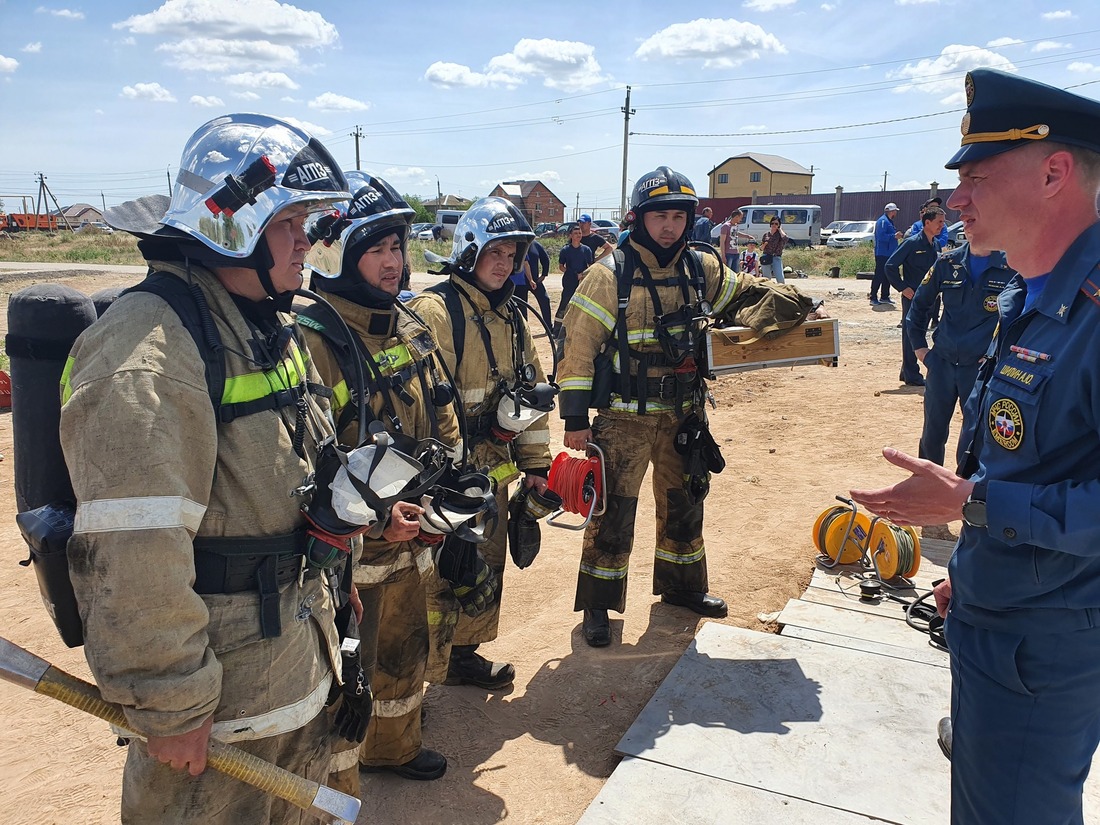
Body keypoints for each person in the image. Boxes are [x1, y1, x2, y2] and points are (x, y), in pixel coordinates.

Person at [60, 114, 352, 823]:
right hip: (219, 716)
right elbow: (134, 547)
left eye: (306, 223)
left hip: (296, 669)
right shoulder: (148, 350)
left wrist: (338, 585)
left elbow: (301, 475)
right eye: (288, 223)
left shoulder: (260, 323)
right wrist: (171, 701)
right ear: (233, 227)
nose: (304, 242)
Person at [850, 67, 1100, 825]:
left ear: (1054, 171)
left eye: (978, 176)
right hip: (1000, 617)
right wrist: (972, 560)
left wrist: (972, 505)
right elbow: (1031, 456)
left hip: (1044, 643)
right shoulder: (1033, 290)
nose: (956, 198)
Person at [299, 172, 462, 784]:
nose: (394, 262)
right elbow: (313, 457)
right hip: (355, 544)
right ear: (338, 253)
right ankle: (339, 775)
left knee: (403, 645)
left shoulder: (408, 325)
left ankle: (393, 747)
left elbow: (441, 408)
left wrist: (451, 486)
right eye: (377, 248)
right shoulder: (315, 339)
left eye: (399, 247)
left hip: (413, 525)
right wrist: (374, 519)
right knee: (350, 667)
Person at [558, 167, 745, 646]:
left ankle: (682, 589)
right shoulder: (607, 275)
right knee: (613, 512)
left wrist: (803, 309)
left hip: (684, 414)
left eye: (678, 217)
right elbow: (577, 348)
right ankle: (599, 606)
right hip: (623, 418)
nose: (669, 226)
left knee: (686, 501)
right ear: (638, 218)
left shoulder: (700, 267)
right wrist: (576, 420)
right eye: (659, 216)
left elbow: (744, 296)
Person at [411, 197, 553, 689]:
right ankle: (416, 682)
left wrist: (538, 465)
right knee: (438, 576)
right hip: (443, 476)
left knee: (482, 568)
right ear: (469, 251)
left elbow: (532, 394)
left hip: (492, 471)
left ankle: (463, 657)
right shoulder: (435, 311)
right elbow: (418, 400)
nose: (504, 264)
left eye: (513, 255)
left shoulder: (513, 317)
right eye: (496, 252)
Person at [906, 241, 1014, 468]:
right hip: (942, 363)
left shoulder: (1010, 264)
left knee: (974, 435)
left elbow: (1020, 316)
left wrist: (998, 357)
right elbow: (919, 304)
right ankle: (927, 486)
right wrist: (920, 348)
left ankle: (965, 491)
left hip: (980, 367)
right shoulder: (947, 262)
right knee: (932, 434)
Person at [886, 206, 946, 386]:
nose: (942, 226)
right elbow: (890, 266)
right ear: (927, 223)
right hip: (913, 297)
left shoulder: (935, 244)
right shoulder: (911, 243)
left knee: (920, 333)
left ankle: (907, 371)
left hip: (931, 297)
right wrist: (902, 287)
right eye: (939, 222)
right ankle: (912, 375)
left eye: (943, 222)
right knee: (911, 333)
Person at [555, 223, 595, 333]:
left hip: (582, 281)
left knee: (582, 305)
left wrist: (583, 275)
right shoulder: (565, 250)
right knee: (565, 303)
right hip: (569, 281)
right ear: (571, 236)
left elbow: (590, 266)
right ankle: (557, 329)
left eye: (580, 233)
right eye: (576, 233)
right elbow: (561, 267)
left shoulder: (586, 250)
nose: (578, 235)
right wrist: (571, 274)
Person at [871, 203, 902, 306]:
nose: (896, 213)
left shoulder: (889, 221)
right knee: (879, 275)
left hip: (889, 253)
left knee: (886, 275)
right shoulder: (883, 221)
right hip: (882, 253)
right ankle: (873, 297)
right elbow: (881, 236)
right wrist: (894, 236)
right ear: (891, 211)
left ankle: (885, 296)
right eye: (895, 211)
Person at [524, 237, 553, 327]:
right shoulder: (518, 244)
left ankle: (548, 326)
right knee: (522, 306)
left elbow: (545, 259)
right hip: (520, 282)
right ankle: (523, 329)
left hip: (535, 281)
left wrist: (544, 274)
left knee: (545, 300)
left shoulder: (535, 245)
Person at [760, 217, 789, 283]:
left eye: (776, 224)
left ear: (779, 225)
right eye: (772, 223)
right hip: (766, 256)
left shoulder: (780, 235)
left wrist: (780, 230)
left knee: (780, 277)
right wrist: (764, 245)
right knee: (766, 278)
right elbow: (761, 248)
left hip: (776, 257)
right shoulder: (766, 235)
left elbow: (786, 239)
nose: (774, 225)